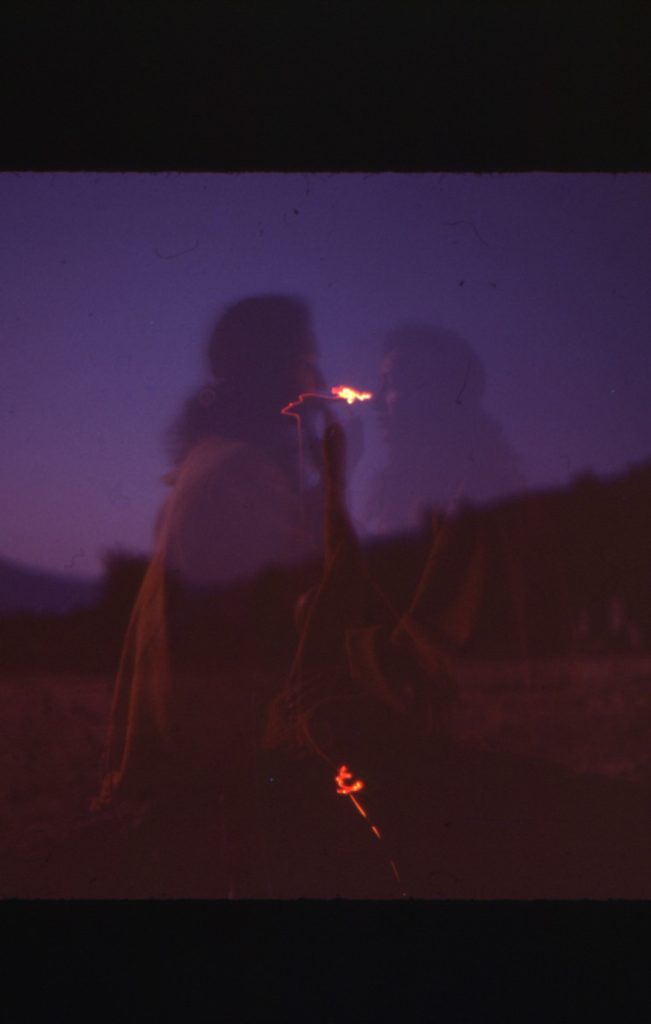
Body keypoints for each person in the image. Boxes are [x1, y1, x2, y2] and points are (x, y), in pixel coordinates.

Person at [90, 295, 333, 895]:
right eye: (306, 359)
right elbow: (293, 610)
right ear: (276, 370)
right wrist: (333, 489)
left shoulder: (221, 461)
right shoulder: (240, 473)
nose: (319, 376)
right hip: (220, 771)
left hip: (204, 759)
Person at [364, 324, 524, 537]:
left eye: (393, 384)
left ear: (437, 395)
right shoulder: (405, 492)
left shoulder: (479, 498)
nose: (376, 402)